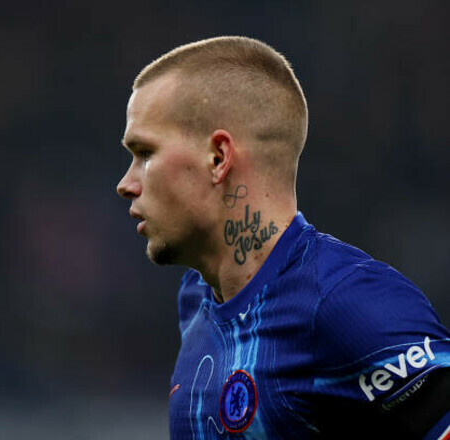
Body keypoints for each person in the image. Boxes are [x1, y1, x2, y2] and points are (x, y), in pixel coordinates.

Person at [116, 36, 450, 439]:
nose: (126, 183)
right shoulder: (197, 298)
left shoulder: (344, 303)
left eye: (145, 153)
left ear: (218, 158)